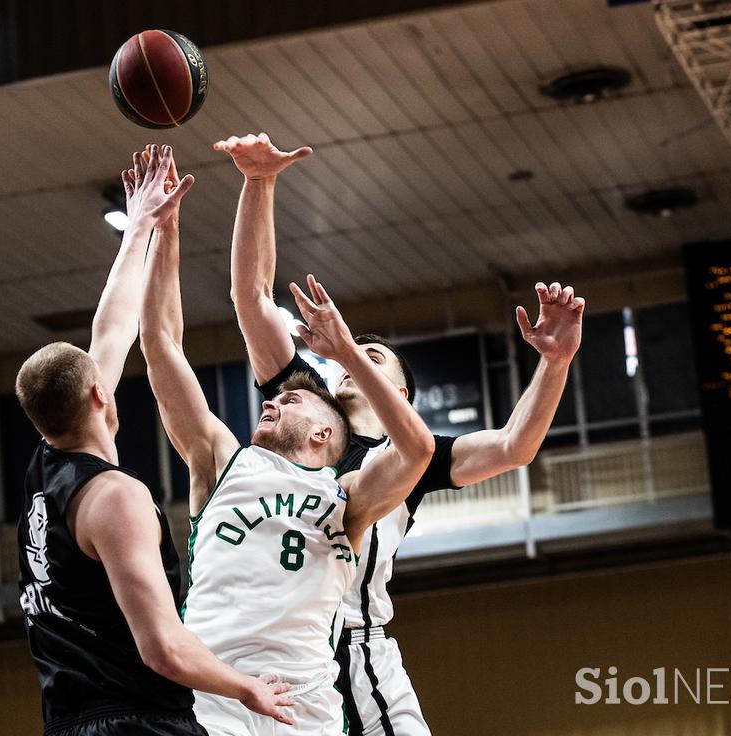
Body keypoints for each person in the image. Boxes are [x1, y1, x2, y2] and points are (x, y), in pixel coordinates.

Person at [216, 132, 586, 735]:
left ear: (404, 395)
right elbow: (251, 297)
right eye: (352, 353)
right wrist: (258, 182)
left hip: (354, 648)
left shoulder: (412, 456)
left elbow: (517, 445)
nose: (354, 358)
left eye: (374, 356)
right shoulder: (304, 409)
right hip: (271, 650)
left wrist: (556, 362)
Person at [137, 154, 435, 736]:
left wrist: (349, 352)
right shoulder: (222, 460)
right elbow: (160, 346)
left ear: (326, 432)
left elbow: (418, 451)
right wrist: (165, 232)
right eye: (275, 400)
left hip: (305, 707)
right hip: (214, 697)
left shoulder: (347, 496)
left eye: (291, 402)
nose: (270, 402)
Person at [15, 144, 293, 736]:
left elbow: (112, 329)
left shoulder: (46, 470)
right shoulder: (115, 497)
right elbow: (162, 649)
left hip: (72, 723)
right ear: (99, 397)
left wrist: (144, 224)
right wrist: (247, 687)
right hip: (136, 723)